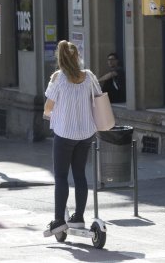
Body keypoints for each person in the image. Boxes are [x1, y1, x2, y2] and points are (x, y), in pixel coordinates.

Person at [43, 40, 102, 237]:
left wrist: (54, 113)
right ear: (77, 57)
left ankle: (59, 220)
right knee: (79, 174)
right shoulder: (89, 76)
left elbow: (48, 108)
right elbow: (99, 98)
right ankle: (79, 218)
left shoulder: (58, 78)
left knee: (61, 176)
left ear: (60, 59)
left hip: (65, 134)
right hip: (86, 134)